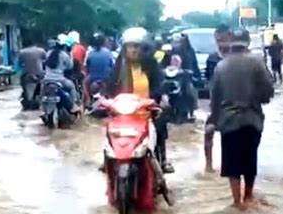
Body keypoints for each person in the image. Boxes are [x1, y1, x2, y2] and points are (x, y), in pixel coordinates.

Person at [210, 28, 274, 209]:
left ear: (231, 44)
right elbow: (268, 91)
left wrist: (213, 121)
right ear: (248, 43)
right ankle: (248, 196)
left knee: (231, 164)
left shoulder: (221, 67)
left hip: (229, 121)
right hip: (252, 119)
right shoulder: (257, 63)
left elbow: (214, 98)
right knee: (249, 160)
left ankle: (236, 202)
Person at [104, 27, 174, 173]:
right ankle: (107, 161)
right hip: (124, 114)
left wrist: (161, 99)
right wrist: (102, 98)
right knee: (109, 129)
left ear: (144, 48)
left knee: (160, 126)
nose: (133, 50)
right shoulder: (119, 67)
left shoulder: (152, 66)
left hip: (147, 111)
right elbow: (109, 85)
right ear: (124, 49)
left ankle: (163, 159)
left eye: (136, 46)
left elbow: (160, 85)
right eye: (129, 46)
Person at [205, 24, 231, 173]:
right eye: (218, 39)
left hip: (233, 102)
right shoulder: (212, 58)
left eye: (224, 39)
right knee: (208, 132)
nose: (221, 42)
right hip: (217, 103)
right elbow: (210, 82)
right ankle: (209, 165)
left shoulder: (236, 58)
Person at [44, 34, 81, 113]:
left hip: (47, 79)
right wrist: (70, 56)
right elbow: (70, 66)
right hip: (60, 80)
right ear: (64, 46)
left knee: (43, 93)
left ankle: (43, 108)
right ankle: (73, 105)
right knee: (72, 87)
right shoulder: (64, 55)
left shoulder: (48, 53)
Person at [171, 33, 200, 121]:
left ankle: (191, 112)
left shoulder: (190, 51)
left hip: (185, 76)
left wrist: (194, 73)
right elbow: (162, 62)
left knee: (189, 92)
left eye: (180, 41)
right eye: (176, 41)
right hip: (172, 76)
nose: (178, 43)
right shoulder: (169, 51)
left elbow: (193, 64)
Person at [84, 32, 114, 106]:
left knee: (84, 83)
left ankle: (87, 99)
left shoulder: (90, 53)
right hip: (106, 78)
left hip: (93, 77)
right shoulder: (108, 53)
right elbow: (112, 66)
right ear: (103, 42)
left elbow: (87, 67)